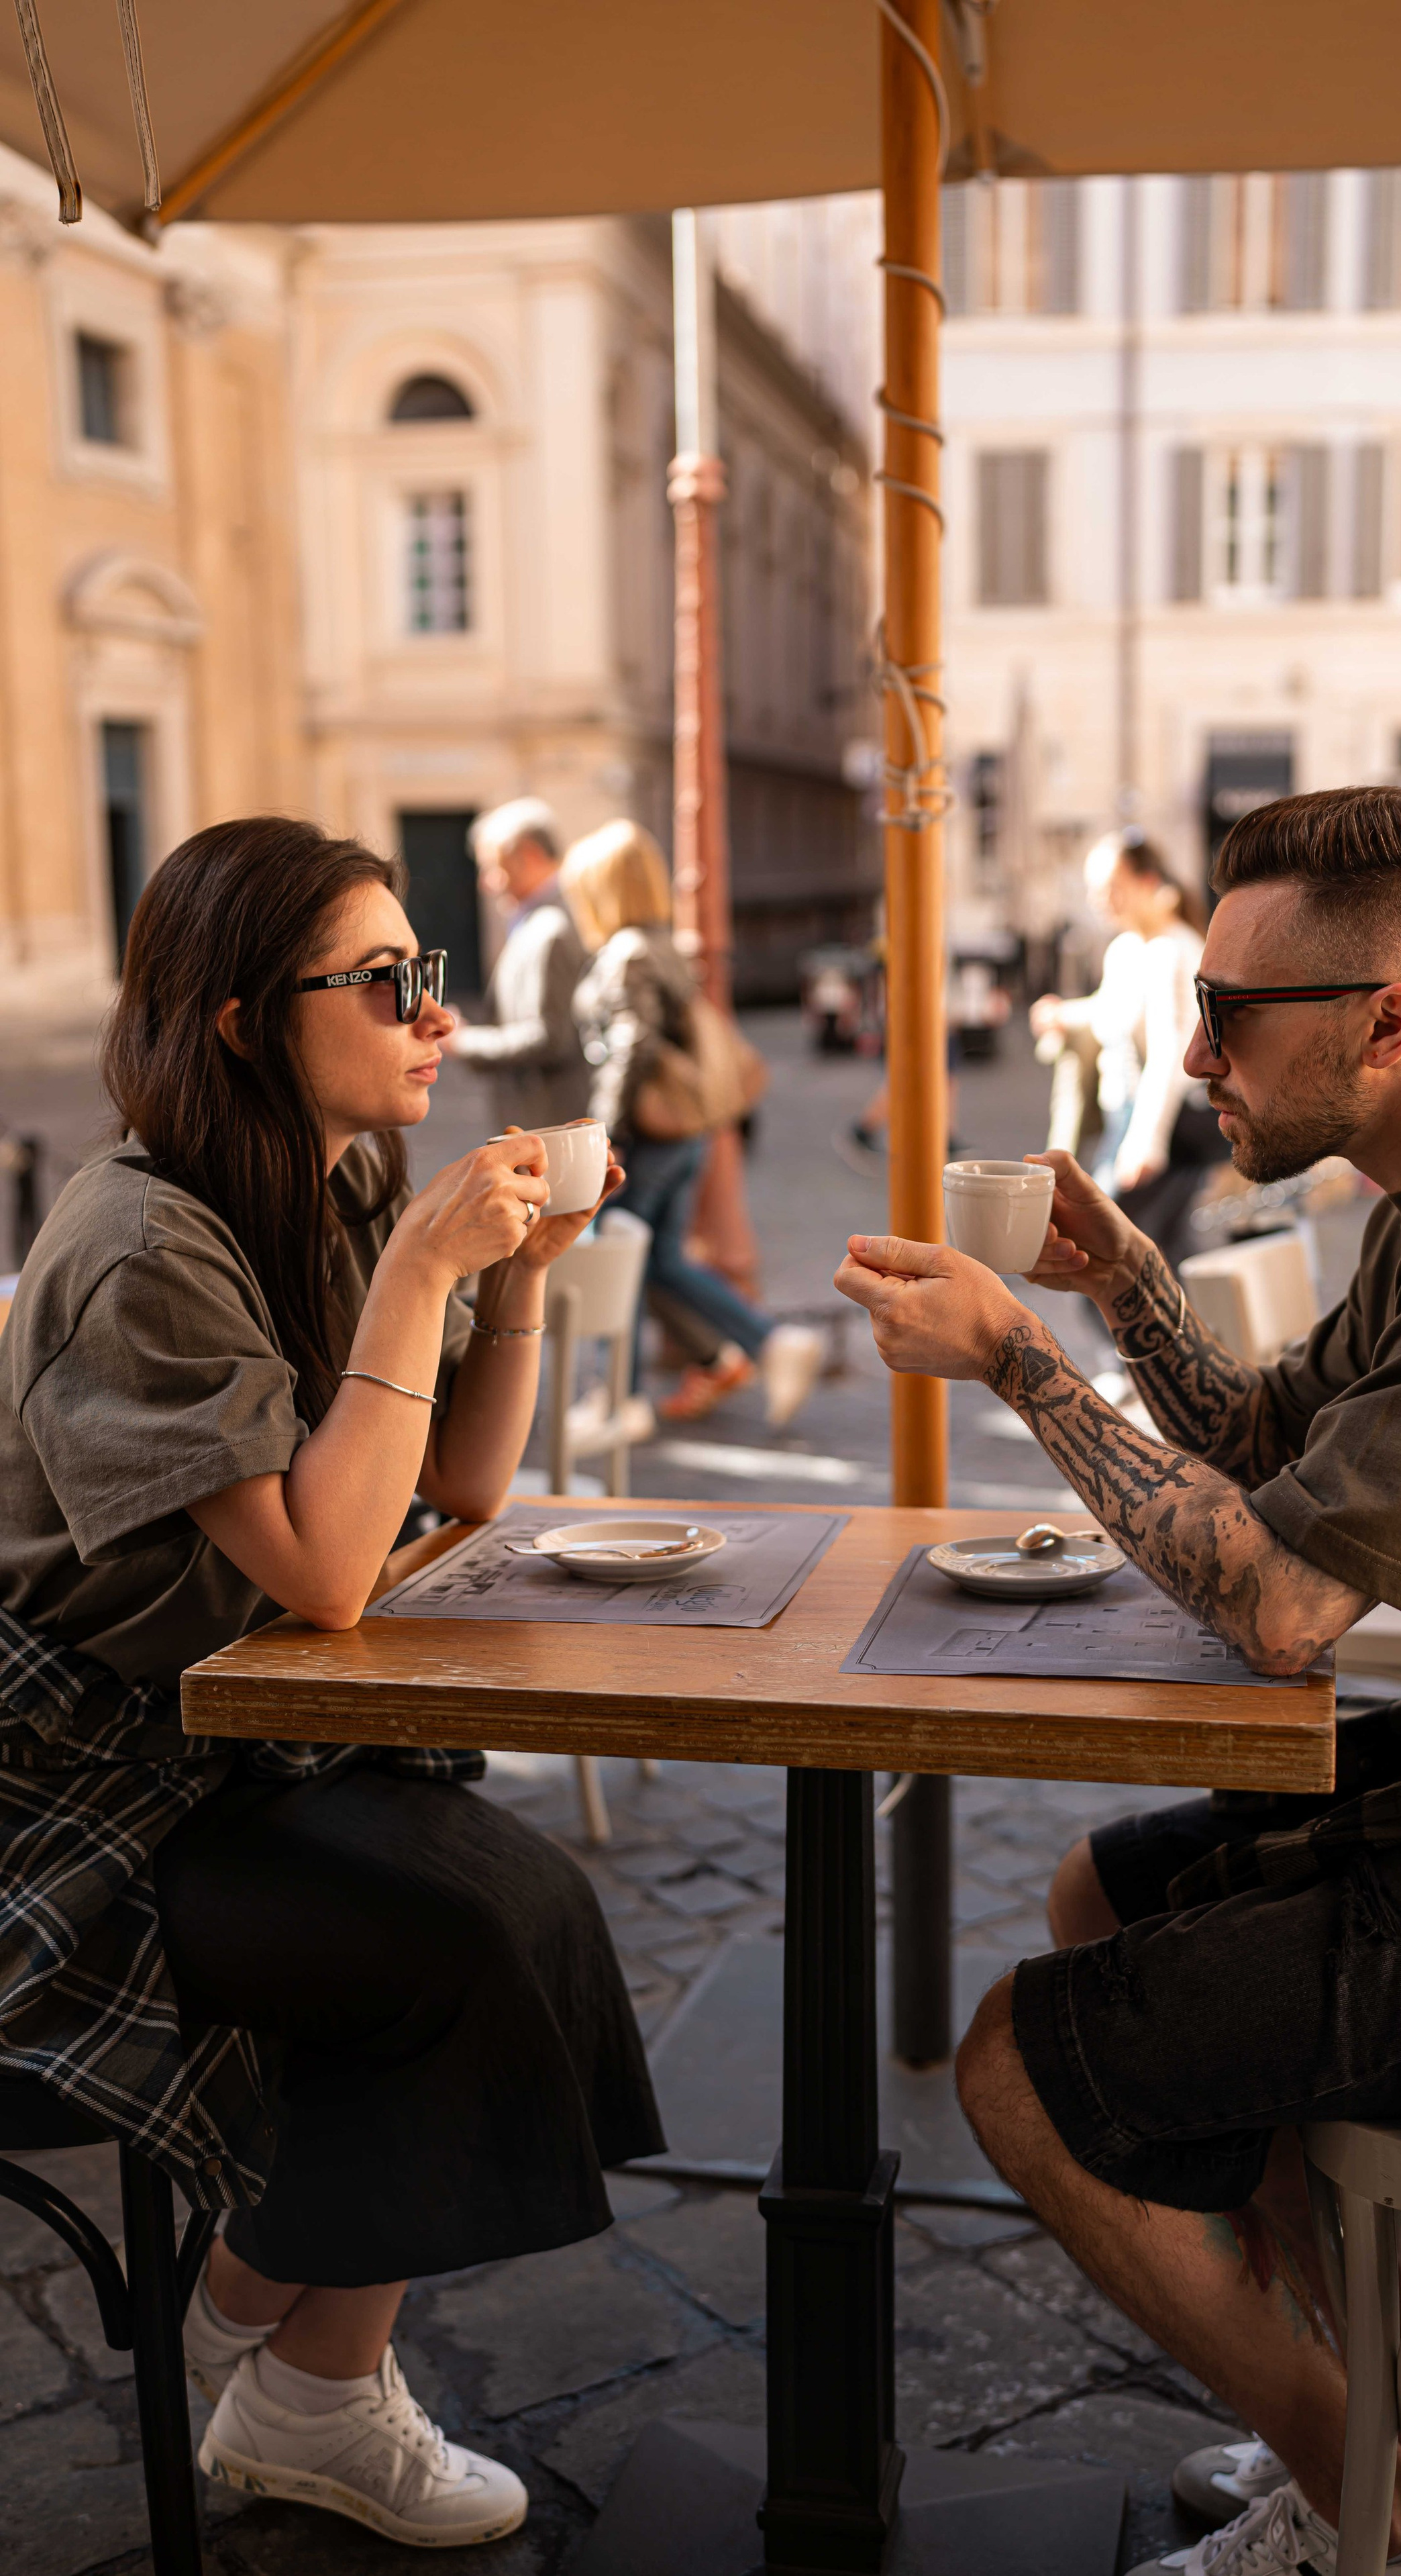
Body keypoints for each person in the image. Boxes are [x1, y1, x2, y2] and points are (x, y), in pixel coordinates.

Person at [835, 785, 1401, 2576]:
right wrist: (1127, 1285)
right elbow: (1260, 1440)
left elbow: (1288, 1607)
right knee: (1098, 1888)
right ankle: (1361, 2408)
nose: (1192, 1044)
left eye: (1228, 1013)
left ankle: (1381, 2512)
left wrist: (1014, 1355)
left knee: (1017, 2063)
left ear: (1389, 1019)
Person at [0, 818, 664, 2548]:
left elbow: (466, 1489)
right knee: (461, 1929)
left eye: (425, 972)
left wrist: (511, 1279)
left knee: (518, 1906)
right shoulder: (142, 1244)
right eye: (385, 982)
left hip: (243, 1728)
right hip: (77, 1784)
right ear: (239, 1020)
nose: (431, 1014)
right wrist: (429, 1267)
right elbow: (321, 1560)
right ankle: (272, 2340)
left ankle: (290, 2366)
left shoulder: (333, 1178)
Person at [566, 818, 823, 1426]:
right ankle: (770, 1342)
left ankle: (617, 1398)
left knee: (618, 1254)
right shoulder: (663, 946)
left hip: (647, 1137)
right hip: (685, 1134)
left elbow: (632, 1043)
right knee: (661, 1262)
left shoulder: (627, 952)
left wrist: (604, 1134)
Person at [1030, 829, 1220, 1268]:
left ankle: (1157, 1335)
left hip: (1167, 1124)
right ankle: (1179, 1334)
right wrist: (1064, 1014)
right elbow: (1109, 1010)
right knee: (1158, 1251)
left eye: (1112, 887)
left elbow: (1172, 1054)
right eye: (1095, 889)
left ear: (1148, 882)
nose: (1101, 899)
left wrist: (1146, 1142)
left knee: (1103, 1247)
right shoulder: (1127, 949)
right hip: (1127, 1119)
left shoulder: (1174, 951)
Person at [447, 797, 590, 1129]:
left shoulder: (553, 925)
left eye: (494, 868)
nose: (487, 883)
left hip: (552, 1120)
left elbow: (550, 1037)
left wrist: (465, 1041)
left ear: (529, 855)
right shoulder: (539, 919)